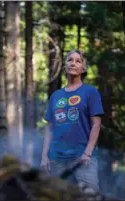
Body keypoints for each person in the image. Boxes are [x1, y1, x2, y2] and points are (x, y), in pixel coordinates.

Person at [40, 50, 104, 192]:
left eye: (78, 61)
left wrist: (87, 153)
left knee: (90, 195)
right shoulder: (56, 96)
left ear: (83, 68)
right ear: (65, 66)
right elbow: (49, 128)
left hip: (82, 157)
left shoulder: (90, 92)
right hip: (57, 158)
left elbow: (96, 124)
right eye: (70, 60)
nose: (73, 63)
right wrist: (44, 156)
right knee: (59, 196)